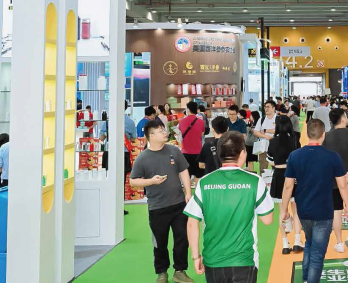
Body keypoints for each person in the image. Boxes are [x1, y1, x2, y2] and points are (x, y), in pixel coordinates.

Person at [185, 131, 273, 283]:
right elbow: (267, 219)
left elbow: (192, 223)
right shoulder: (255, 181)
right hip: (244, 260)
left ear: (219, 154)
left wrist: (196, 256)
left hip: (213, 260)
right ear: (242, 153)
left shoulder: (204, 182)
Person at [279, 120, 348, 283]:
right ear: (323, 135)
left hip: (303, 210)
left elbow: (288, 186)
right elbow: (342, 184)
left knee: (310, 244)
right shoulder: (332, 156)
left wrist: (284, 209)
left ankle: (305, 278)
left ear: (307, 134)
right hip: (324, 211)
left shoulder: (295, 155)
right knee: (317, 254)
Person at [130, 119, 194, 283]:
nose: (165, 133)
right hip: (157, 208)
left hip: (179, 204)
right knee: (160, 242)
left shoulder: (174, 150)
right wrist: (151, 181)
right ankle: (162, 273)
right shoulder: (142, 158)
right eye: (160, 131)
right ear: (151, 136)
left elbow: (184, 171)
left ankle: (180, 271)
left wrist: (188, 192)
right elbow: (133, 181)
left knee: (182, 239)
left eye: (163, 130)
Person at [321, 107, 348, 257]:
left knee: (336, 211)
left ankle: (339, 242)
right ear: (342, 119)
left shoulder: (326, 136)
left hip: (332, 180)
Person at [267, 115, 303, 254]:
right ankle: (297, 241)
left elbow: (270, 161)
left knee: (282, 211)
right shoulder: (294, 140)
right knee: (296, 210)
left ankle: (285, 244)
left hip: (278, 176)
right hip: (293, 176)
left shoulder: (273, 141)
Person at [179, 102, 206, 179]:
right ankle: (197, 187)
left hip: (185, 152)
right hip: (198, 152)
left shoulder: (182, 121)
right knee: (198, 175)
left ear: (188, 109)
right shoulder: (201, 122)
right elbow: (202, 134)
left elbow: (180, 137)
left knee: (186, 176)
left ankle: (188, 187)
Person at [252, 101, 277, 176]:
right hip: (263, 148)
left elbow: (280, 130)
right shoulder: (262, 119)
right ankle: (262, 182)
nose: (266, 109)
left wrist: (266, 130)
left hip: (276, 148)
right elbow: (256, 132)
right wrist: (265, 136)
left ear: (273, 108)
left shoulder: (278, 119)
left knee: (276, 168)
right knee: (262, 169)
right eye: (265, 107)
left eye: (268, 107)